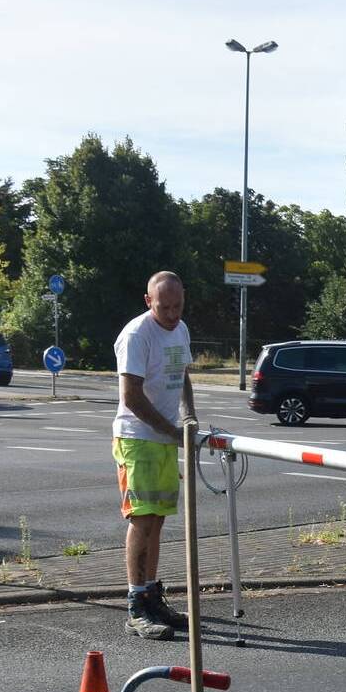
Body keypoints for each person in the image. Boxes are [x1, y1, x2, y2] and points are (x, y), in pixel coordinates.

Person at [112, 271, 197, 640]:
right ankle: (135, 605)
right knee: (142, 520)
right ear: (149, 301)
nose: (173, 314)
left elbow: (183, 376)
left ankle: (151, 595)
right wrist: (173, 431)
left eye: (178, 306)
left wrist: (189, 416)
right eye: (165, 307)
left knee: (158, 519)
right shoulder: (137, 334)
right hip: (137, 438)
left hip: (163, 438)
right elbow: (131, 396)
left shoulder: (180, 329)